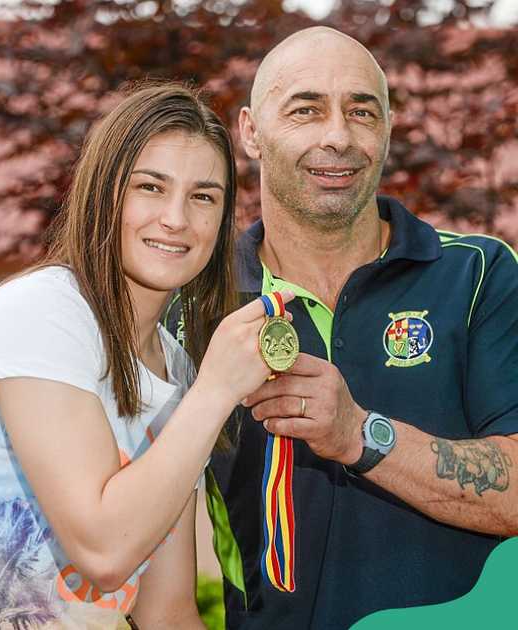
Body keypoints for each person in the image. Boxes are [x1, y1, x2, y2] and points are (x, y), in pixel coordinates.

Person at [166, 27, 518, 628]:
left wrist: (360, 433)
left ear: (386, 131)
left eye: (362, 112)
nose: (339, 137)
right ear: (251, 131)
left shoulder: (478, 275)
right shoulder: (190, 309)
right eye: (306, 110)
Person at [0, 83, 298, 629]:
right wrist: (218, 390)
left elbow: (165, 609)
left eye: (203, 197)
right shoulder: (45, 312)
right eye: (151, 187)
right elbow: (102, 553)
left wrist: (205, 388)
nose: (176, 219)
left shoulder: (179, 370)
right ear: (106, 195)